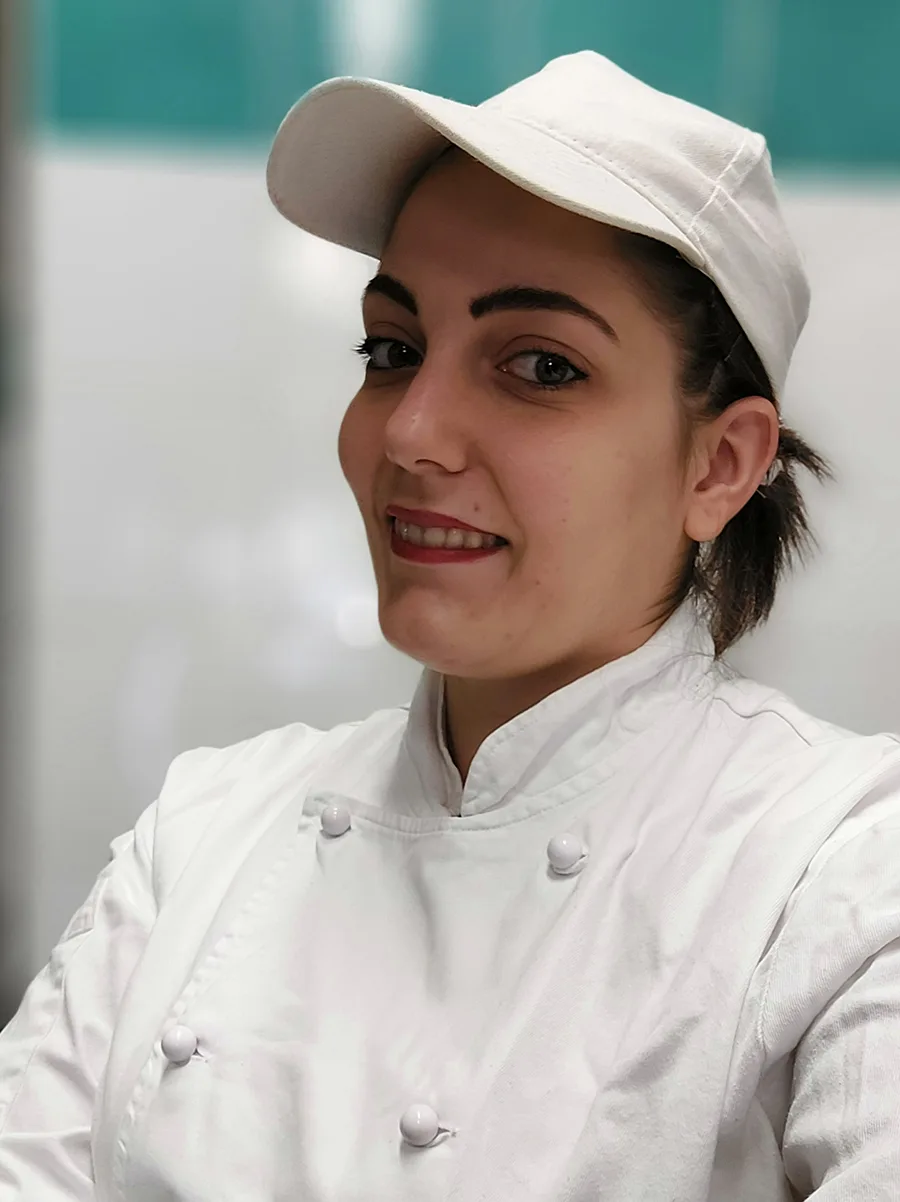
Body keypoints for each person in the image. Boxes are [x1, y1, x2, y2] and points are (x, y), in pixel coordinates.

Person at [2, 49, 900, 1202]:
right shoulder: (203, 834)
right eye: (392, 349)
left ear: (720, 464)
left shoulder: (837, 867)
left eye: (540, 365)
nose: (411, 432)